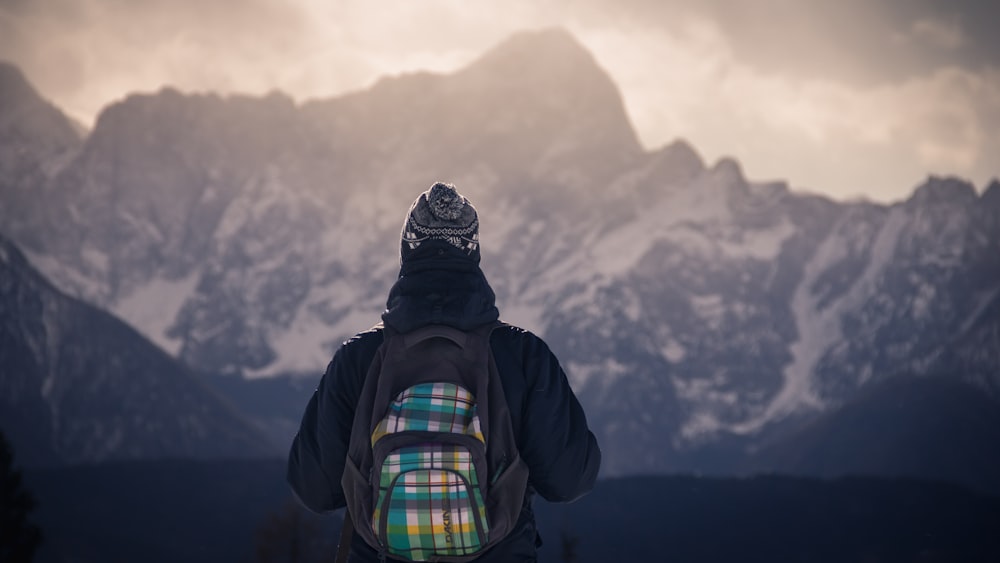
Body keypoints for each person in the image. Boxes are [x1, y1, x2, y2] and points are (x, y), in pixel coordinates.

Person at [287, 182, 601, 562]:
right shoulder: (523, 355)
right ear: (474, 253)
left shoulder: (358, 358)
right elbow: (569, 479)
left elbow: (314, 489)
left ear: (407, 251)